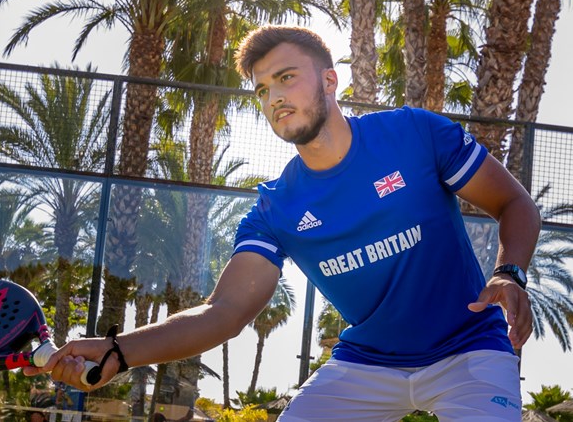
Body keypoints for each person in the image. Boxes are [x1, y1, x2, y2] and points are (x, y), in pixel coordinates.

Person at [26, 25, 541, 421]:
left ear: (330, 81)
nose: (273, 96)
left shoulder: (415, 134)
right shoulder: (275, 208)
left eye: (286, 77)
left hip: (470, 349)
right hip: (367, 362)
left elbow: (515, 205)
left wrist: (508, 273)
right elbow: (223, 313)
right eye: (262, 88)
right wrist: (120, 350)